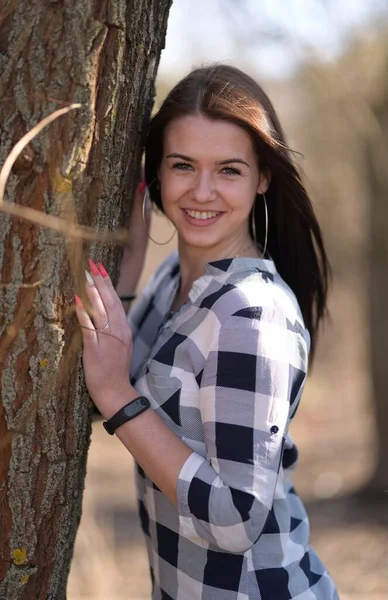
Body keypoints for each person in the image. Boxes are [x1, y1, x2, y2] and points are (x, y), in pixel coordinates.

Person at [75, 64, 339, 600]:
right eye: (182, 166)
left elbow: (236, 520)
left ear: (263, 176)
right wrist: (125, 266)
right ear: (156, 175)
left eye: (228, 170)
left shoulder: (250, 315)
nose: (201, 191)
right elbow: (117, 378)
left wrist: (118, 397)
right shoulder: (177, 280)